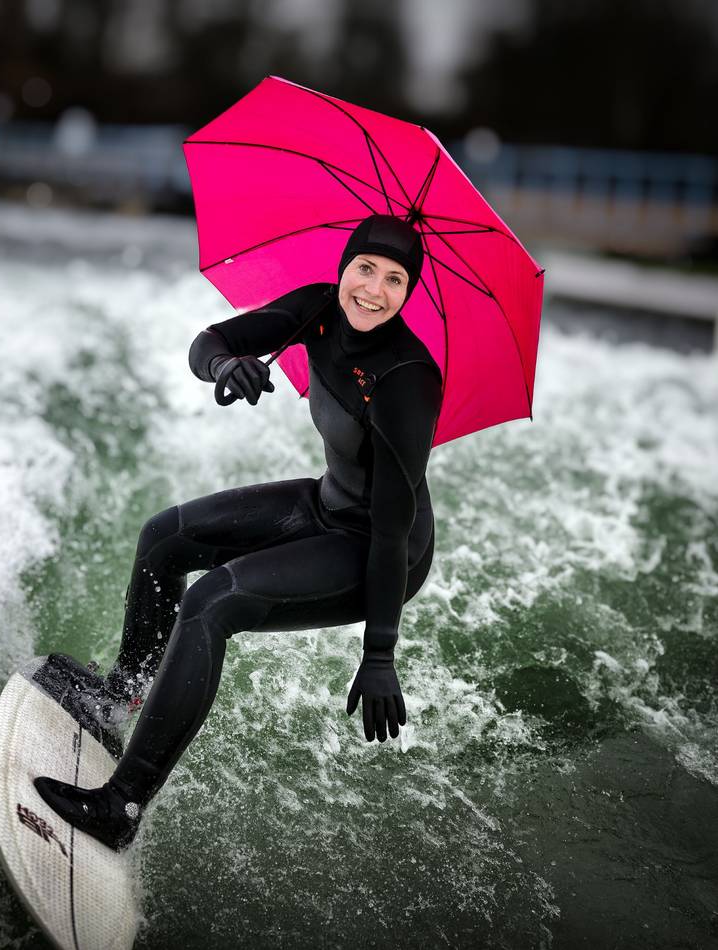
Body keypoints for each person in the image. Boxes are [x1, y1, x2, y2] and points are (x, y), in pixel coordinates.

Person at [34, 214, 443, 851]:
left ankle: (124, 804)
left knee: (209, 604)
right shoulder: (320, 309)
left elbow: (392, 529)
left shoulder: (408, 380)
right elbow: (209, 339)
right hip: (327, 503)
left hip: (379, 549)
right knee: (163, 539)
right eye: (365, 268)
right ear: (344, 268)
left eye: (395, 280)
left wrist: (381, 653)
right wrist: (228, 365)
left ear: (408, 291)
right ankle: (122, 695)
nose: (374, 290)